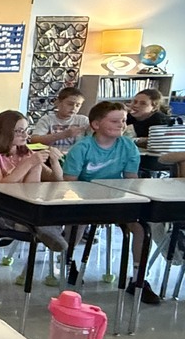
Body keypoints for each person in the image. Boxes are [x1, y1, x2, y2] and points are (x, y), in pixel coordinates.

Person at [63, 101, 157, 302]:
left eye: (123, 121)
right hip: (85, 200)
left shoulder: (128, 146)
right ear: (96, 125)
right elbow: (69, 183)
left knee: (141, 227)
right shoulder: (82, 148)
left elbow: (130, 176)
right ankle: (68, 262)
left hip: (117, 199)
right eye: (114, 121)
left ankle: (139, 278)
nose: (121, 125)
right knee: (76, 221)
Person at [0, 110, 67, 252]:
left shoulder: (27, 153)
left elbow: (56, 181)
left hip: (26, 204)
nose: (26, 135)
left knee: (48, 211)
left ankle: (39, 227)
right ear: (3, 133)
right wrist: (28, 164)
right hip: (0, 206)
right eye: (19, 131)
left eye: (26, 130)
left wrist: (55, 162)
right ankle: (39, 227)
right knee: (32, 217)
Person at [28, 86, 89, 152]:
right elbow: (34, 141)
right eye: (70, 104)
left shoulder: (83, 120)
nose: (74, 108)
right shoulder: (47, 120)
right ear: (59, 103)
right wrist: (64, 134)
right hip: (51, 156)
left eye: (78, 105)